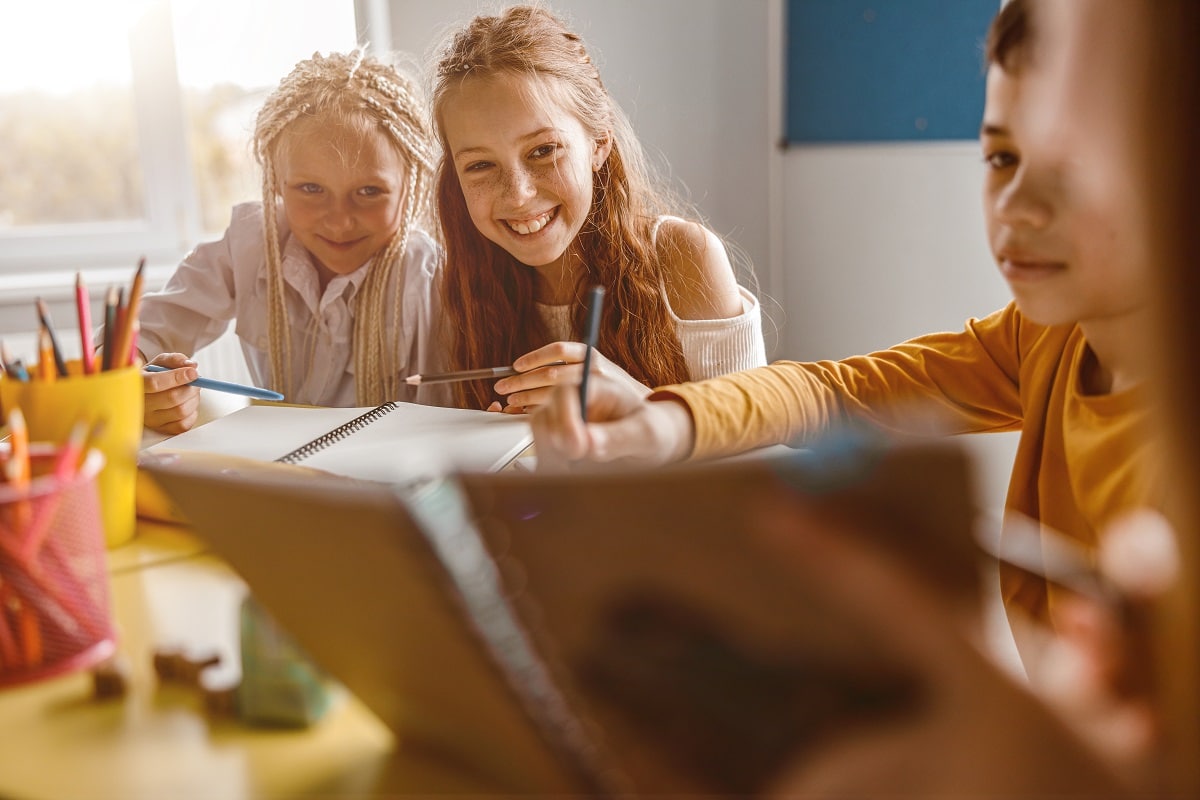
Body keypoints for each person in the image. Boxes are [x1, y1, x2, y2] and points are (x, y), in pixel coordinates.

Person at [530, 0, 1162, 668]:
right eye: (1003, 156)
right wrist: (664, 423)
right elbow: (829, 391)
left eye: (1077, 162)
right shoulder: (1044, 340)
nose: (1014, 205)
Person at [428, 4, 767, 412]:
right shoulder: (463, 283)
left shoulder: (684, 257)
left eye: (543, 150)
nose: (517, 194)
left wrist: (641, 408)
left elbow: (755, 459)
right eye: (481, 165)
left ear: (599, 143)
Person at [132, 50, 449, 434]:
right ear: (276, 181)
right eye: (311, 188)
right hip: (277, 472)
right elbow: (145, 332)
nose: (339, 220)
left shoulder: (427, 276)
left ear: (409, 186)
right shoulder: (250, 243)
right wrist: (145, 383)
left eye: (369, 191)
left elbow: (444, 422)